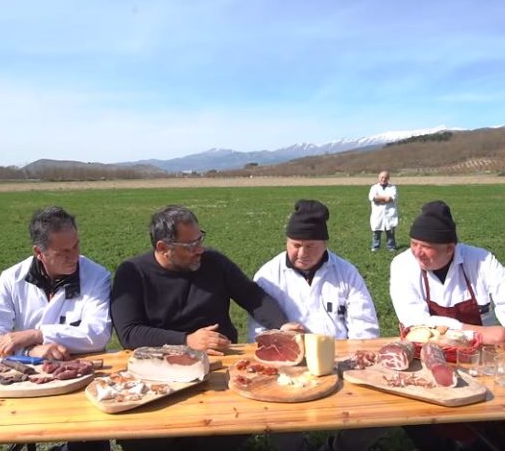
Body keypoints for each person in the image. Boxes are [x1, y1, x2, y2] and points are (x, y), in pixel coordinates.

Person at [111, 205, 302, 451]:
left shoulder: (214, 263)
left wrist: (281, 324)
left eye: (199, 239)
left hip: (218, 368)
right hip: (157, 371)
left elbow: (251, 295)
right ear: (162, 248)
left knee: (221, 434)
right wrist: (186, 340)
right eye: (189, 246)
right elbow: (129, 332)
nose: (199, 249)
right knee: (149, 438)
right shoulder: (133, 272)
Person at [389, 200, 505, 450]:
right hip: (427, 360)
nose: (417, 252)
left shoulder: (480, 261)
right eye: (414, 244)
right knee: (416, 410)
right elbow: (416, 321)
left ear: (450, 248)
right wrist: (480, 333)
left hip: (482, 362)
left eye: (426, 247)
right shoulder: (403, 265)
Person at [0, 206, 112, 451]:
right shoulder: (12, 278)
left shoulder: (96, 276)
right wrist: (31, 352)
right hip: (22, 376)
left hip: (78, 377)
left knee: (92, 442)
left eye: (76, 245)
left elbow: (97, 334)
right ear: (39, 252)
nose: (74, 256)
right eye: (63, 251)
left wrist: (37, 333)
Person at [249, 199, 384, 451]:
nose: (302, 253)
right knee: (277, 417)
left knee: (380, 413)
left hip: (343, 362)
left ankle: (341, 447)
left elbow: (365, 329)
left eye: (310, 246)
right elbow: (258, 335)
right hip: (288, 367)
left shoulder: (346, 273)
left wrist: (351, 361)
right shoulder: (268, 275)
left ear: (325, 244)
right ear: (286, 242)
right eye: (295, 245)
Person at [368, 170, 398, 251]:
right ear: (379, 178)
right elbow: (373, 198)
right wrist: (384, 198)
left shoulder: (392, 187)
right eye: (382, 177)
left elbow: (390, 198)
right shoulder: (374, 188)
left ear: (388, 178)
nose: (383, 179)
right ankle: (375, 247)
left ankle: (391, 247)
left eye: (385, 177)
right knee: (376, 232)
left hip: (389, 213)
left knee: (390, 232)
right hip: (378, 214)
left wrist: (379, 198)